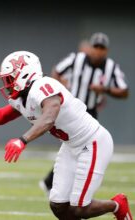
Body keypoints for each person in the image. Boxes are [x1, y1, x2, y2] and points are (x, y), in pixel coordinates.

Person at [0, 51, 132, 220]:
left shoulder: (43, 86)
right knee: (59, 206)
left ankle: (117, 205)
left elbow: (49, 116)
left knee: (80, 207)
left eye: (9, 78)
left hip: (92, 142)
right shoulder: (21, 96)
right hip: (71, 146)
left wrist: (23, 140)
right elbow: (5, 114)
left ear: (24, 74)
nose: (6, 83)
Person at [38, 33, 129, 195]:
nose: (98, 51)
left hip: (90, 112)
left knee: (80, 148)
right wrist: (61, 86)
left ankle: (52, 183)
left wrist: (106, 89)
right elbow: (56, 71)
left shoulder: (111, 67)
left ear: (106, 51)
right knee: (75, 147)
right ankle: (54, 184)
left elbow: (124, 91)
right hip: (72, 109)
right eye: (96, 47)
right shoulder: (76, 59)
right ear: (90, 48)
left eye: (102, 48)